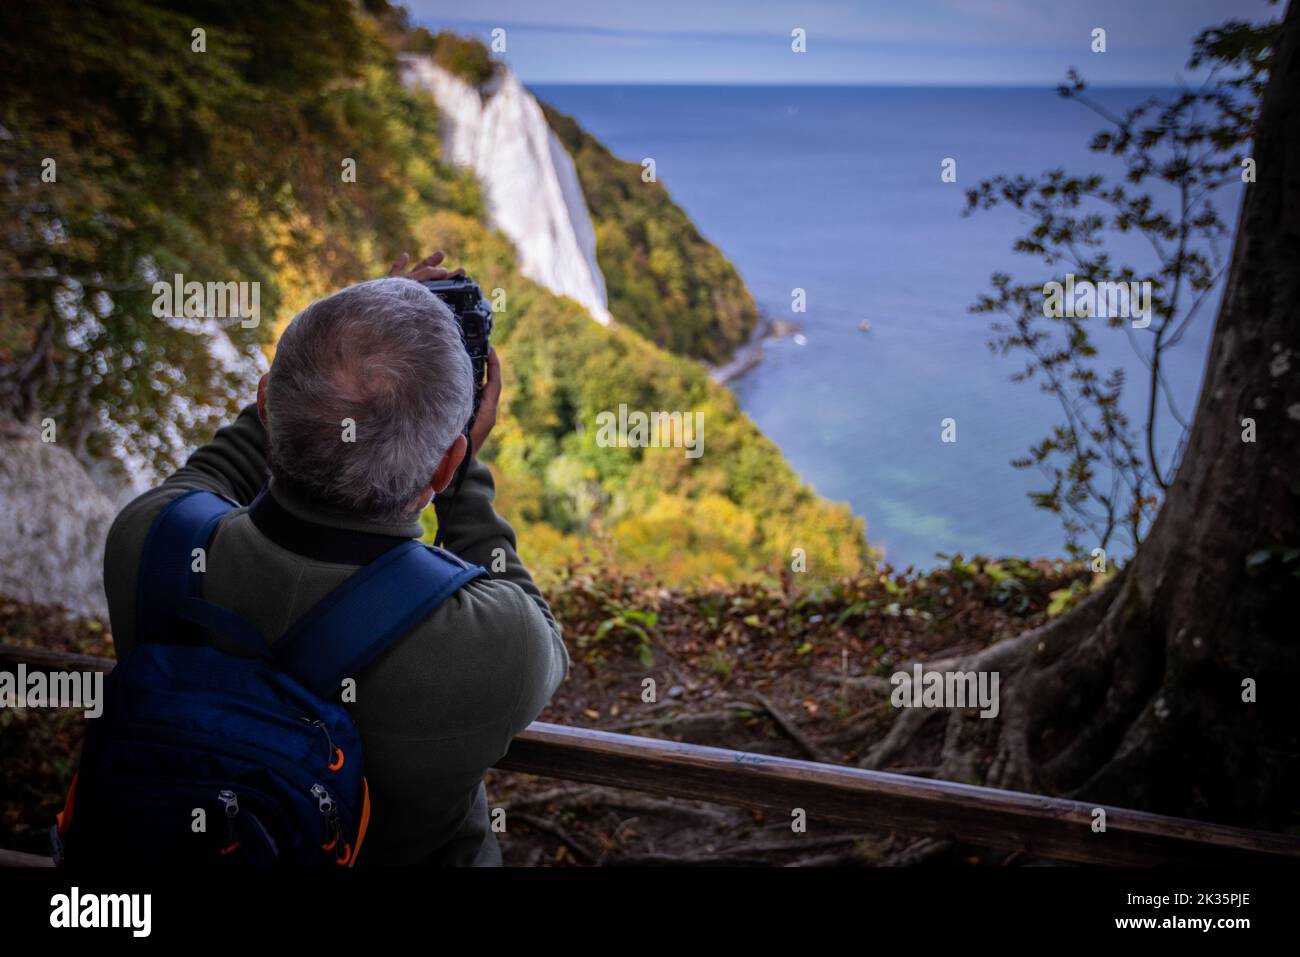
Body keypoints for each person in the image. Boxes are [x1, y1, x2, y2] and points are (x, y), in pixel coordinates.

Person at [102, 253, 568, 866]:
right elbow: (535, 619)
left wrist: (339, 346)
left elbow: (219, 468)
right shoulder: (494, 646)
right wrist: (457, 473)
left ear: (267, 406)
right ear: (447, 466)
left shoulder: (151, 546)